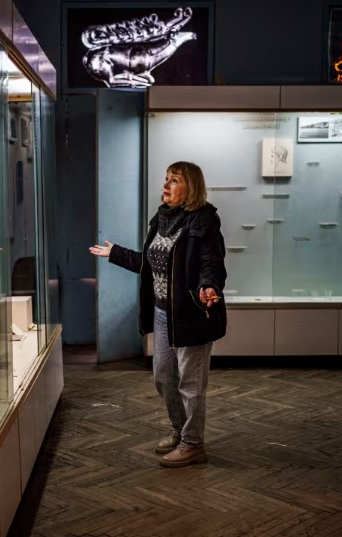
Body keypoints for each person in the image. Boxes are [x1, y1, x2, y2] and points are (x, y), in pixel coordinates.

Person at [89, 161, 227, 468]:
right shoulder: (164, 218)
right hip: (163, 314)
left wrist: (208, 285)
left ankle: (194, 444)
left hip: (192, 313)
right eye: (166, 179)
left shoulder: (204, 221)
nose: (165, 185)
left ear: (190, 187)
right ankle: (179, 431)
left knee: (191, 385)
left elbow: (211, 263)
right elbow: (151, 265)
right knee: (164, 377)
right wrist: (116, 254)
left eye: (174, 180)